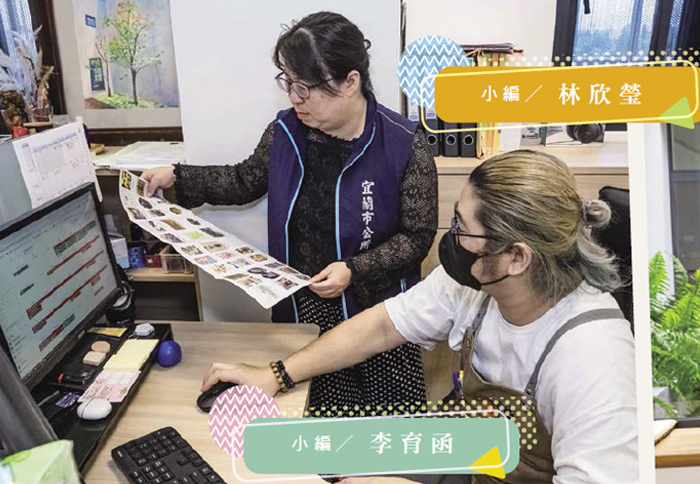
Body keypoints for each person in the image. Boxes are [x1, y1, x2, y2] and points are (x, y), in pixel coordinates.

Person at [201, 150, 638, 484]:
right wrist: (276, 374)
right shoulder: (475, 277)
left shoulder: (593, 356)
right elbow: (382, 326)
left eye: (462, 227)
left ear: (516, 257)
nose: (451, 236)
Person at [142, 11, 437, 412]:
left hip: (378, 316)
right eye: (288, 83)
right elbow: (244, 180)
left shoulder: (403, 143)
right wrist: (176, 177)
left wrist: (355, 269)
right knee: (314, 421)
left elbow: (417, 236)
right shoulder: (286, 132)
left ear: (350, 82)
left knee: (383, 427)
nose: (294, 98)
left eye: (306, 87)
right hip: (305, 309)